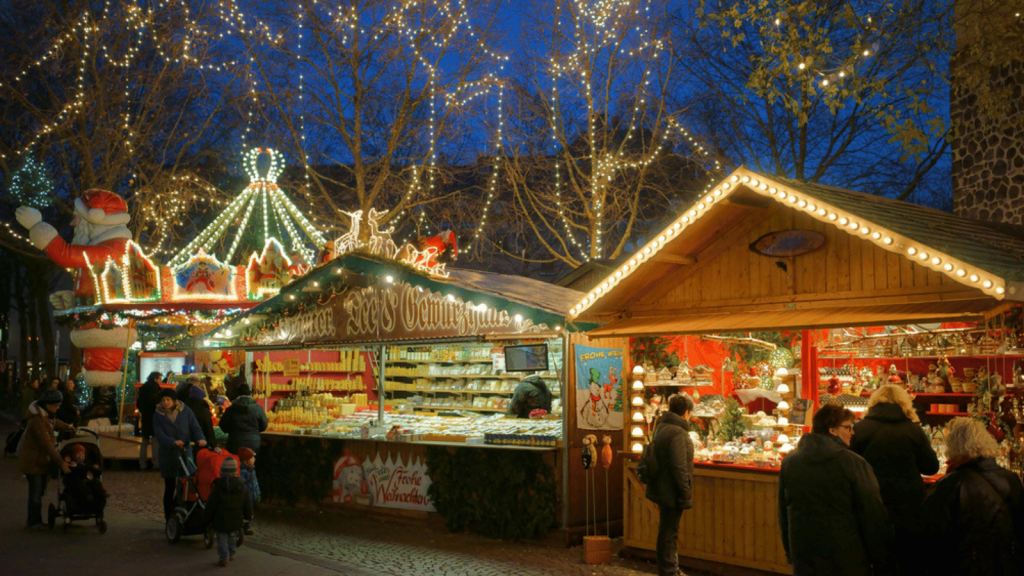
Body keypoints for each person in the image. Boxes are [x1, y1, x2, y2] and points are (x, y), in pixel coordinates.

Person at [778, 403, 893, 575]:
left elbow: (784, 511)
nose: (852, 432)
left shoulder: (790, 461)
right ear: (832, 430)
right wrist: (882, 560)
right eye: (848, 427)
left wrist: (790, 551)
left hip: (803, 554)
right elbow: (873, 514)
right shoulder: (853, 463)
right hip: (847, 557)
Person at [850, 384, 939, 571]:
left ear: (874, 403)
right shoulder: (913, 430)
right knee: (908, 558)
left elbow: (850, 467)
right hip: (909, 504)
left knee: (877, 559)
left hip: (871, 501)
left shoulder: (859, 429)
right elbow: (931, 467)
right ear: (903, 403)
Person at [921, 417, 1024, 575]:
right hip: (1006, 565)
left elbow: (931, 538)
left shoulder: (949, 485)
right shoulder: (1012, 480)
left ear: (953, 447)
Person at [644, 393, 695, 576]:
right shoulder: (678, 433)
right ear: (686, 413)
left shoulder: (662, 427)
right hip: (671, 489)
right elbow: (679, 467)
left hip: (661, 486)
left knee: (667, 531)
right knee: (669, 533)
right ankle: (669, 571)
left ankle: (670, 568)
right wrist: (685, 492)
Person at [16, 389, 73, 529]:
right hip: (32, 460)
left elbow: (55, 423)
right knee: (36, 492)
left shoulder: (46, 415)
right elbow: (47, 444)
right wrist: (61, 463)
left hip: (40, 460)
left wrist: (69, 427)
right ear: (47, 404)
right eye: (55, 405)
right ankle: (34, 522)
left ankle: (35, 520)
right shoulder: (37, 419)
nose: (57, 407)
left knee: (40, 490)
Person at [153, 388, 207, 520]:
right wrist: (173, 442)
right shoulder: (157, 415)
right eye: (163, 400)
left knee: (186, 483)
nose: (165, 403)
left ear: (174, 400)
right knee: (170, 486)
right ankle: (168, 516)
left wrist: (201, 438)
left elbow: (195, 427)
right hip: (168, 455)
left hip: (185, 453)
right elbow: (159, 435)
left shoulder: (186, 411)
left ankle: (183, 512)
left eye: (168, 400)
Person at [204, 457, 252, 567]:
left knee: (221, 538)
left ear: (222, 471)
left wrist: (207, 517)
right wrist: (248, 516)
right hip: (236, 518)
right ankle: (231, 554)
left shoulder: (218, 487)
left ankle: (224, 557)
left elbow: (211, 504)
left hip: (220, 519)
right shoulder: (243, 486)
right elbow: (248, 503)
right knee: (232, 536)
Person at [218, 381, 268, 455]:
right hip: (253, 442)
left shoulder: (231, 409)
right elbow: (264, 426)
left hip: (235, 442)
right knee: (251, 462)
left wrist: (233, 430)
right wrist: (254, 431)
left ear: (237, 394)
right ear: (249, 394)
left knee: (236, 463)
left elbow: (223, 426)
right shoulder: (258, 409)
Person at [137, 371, 163, 470]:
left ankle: (142, 464)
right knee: (155, 441)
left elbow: (139, 404)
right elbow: (157, 403)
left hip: (145, 417)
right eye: (160, 379)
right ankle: (156, 464)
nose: (161, 381)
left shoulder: (142, 388)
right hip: (154, 417)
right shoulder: (156, 389)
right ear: (155, 379)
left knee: (144, 441)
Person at [186, 382, 218, 450]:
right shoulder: (204, 411)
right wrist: (213, 445)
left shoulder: (185, 409)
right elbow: (209, 430)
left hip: (188, 444)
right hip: (202, 443)